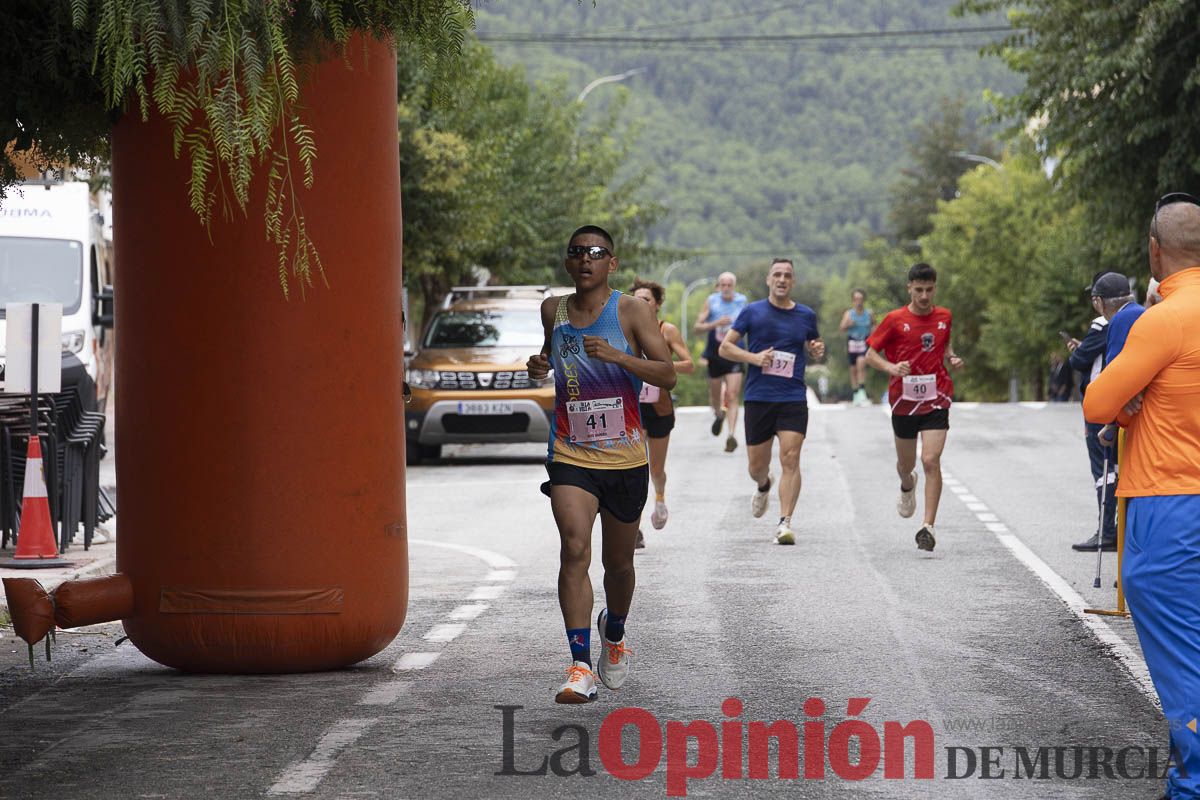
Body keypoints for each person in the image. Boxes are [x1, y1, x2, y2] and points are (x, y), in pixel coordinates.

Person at [526, 226, 676, 704]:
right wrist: (539, 366)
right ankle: (579, 665)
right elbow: (552, 358)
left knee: (619, 565)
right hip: (571, 452)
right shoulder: (554, 310)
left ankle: (614, 631)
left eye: (595, 252)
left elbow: (668, 373)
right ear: (568, 263)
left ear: (611, 262)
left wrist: (618, 356)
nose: (585, 259)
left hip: (626, 456)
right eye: (576, 253)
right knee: (574, 548)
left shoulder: (632, 310)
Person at [1083, 193, 1200, 799]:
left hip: (1172, 498)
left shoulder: (1165, 319)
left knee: (1182, 652)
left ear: (1155, 252)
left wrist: (1137, 405)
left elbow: (1098, 403)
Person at [718, 258, 825, 545]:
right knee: (756, 467)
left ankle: (785, 522)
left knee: (791, 457)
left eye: (787, 275)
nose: (782, 279)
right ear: (768, 279)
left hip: (792, 397)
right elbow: (725, 347)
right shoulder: (752, 312)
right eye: (777, 274)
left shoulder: (805, 315)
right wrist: (754, 358)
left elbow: (814, 345)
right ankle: (764, 485)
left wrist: (816, 349)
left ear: (793, 281)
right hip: (758, 397)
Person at [864, 262, 963, 552]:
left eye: (929, 290)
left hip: (937, 396)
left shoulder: (945, 316)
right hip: (904, 401)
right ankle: (908, 485)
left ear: (935, 288)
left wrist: (953, 357)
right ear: (909, 288)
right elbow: (870, 355)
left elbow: (945, 347)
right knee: (907, 466)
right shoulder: (894, 320)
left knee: (931, 460)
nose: (923, 296)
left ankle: (928, 527)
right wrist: (892, 367)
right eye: (918, 290)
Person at [631, 277, 695, 545]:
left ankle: (659, 496)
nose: (640, 302)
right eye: (636, 298)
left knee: (655, 470)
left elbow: (689, 363)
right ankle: (634, 528)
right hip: (631, 405)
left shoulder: (666, 330)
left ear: (656, 305)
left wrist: (661, 367)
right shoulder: (624, 328)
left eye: (646, 299)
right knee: (633, 468)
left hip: (659, 406)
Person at [1065, 273, 1118, 552]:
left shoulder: (1101, 324)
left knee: (1103, 469)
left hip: (1099, 404)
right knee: (1119, 468)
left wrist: (1079, 349)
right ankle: (1118, 528)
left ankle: (1107, 531)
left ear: (1100, 300)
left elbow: (1078, 360)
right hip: (1121, 399)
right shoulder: (1134, 318)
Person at [694, 272, 748, 453]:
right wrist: (715, 323)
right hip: (715, 354)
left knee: (733, 395)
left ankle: (731, 435)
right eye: (723, 285)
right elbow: (697, 327)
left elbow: (749, 324)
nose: (726, 288)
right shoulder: (711, 301)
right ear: (719, 286)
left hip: (735, 353)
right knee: (715, 395)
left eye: (729, 285)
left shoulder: (742, 301)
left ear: (734, 286)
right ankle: (718, 415)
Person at [839, 289, 874, 406]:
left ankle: (862, 391)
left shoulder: (869, 313)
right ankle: (856, 394)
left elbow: (875, 325)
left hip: (864, 341)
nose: (858, 302)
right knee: (853, 369)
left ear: (863, 300)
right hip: (852, 342)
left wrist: (873, 336)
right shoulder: (849, 314)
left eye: (860, 299)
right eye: (856, 299)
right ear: (853, 301)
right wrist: (848, 324)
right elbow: (842, 328)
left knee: (861, 364)